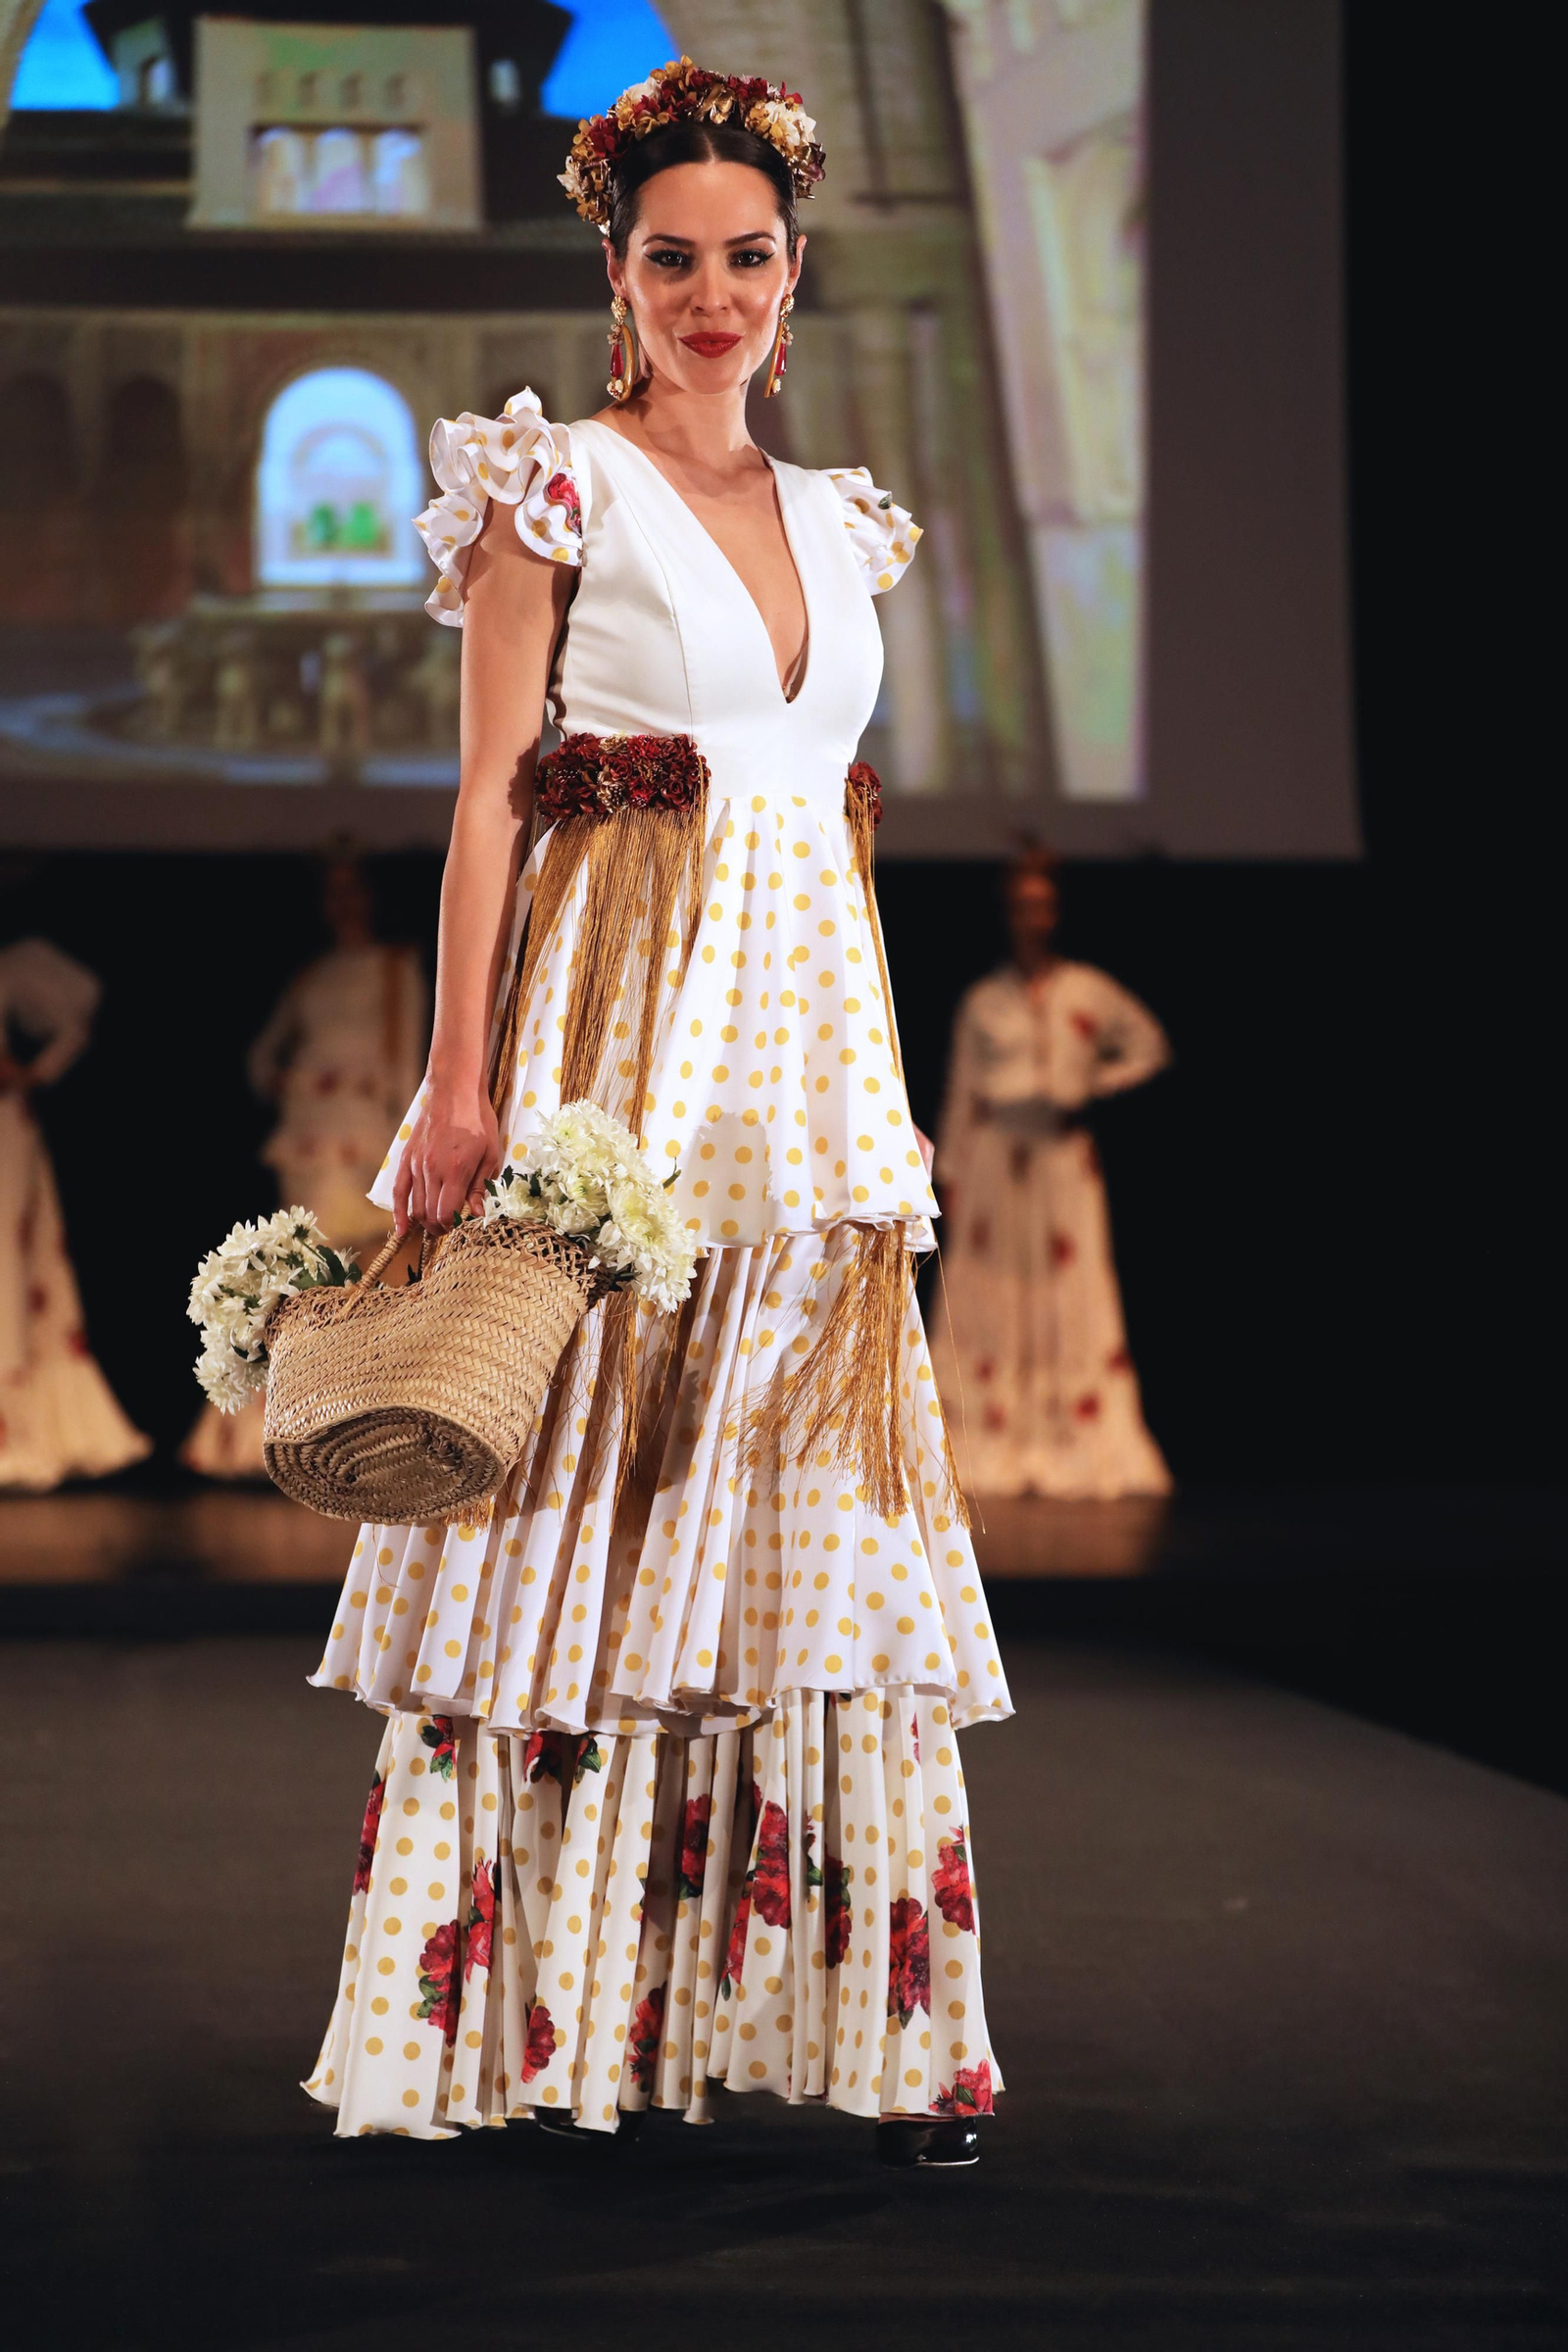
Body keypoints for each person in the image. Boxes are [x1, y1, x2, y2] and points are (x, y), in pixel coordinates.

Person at [303, 61, 1010, 2166]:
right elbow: (487, 808)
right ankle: (547, 2034)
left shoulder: (836, 517)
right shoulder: (555, 495)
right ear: (617, 275)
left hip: (802, 1090)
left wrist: (875, 1102)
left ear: (793, 283)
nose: (713, 294)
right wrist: (453, 1083)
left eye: (748, 259)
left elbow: (821, 831)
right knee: (587, 1522)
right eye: (672, 258)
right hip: (618, 1072)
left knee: (829, 1533)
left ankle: (889, 2051)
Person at [930, 850, 1172, 1499]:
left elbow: (1149, 1045)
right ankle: (991, 1432)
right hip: (996, 1161)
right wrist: (948, 1173)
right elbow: (962, 1091)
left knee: (1072, 1294)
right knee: (991, 1300)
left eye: (1041, 904)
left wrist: (1094, 1081)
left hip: (1064, 1160)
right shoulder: (985, 1000)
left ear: (1056, 911)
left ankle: (1073, 1435)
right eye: (1020, 906)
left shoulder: (1087, 989)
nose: (1031, 918)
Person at [182, 857, 428, 1478]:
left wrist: (401, 1144)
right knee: (309, 1269)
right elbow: (262, 1057)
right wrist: (293, 1080)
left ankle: (362, 1427)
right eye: (333, 892)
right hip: (310, 1135)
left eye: (353, 889)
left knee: (369, 1269)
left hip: (367, 1134)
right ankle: (284, 1430)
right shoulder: (312, 975)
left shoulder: (397, 966)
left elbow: (408, 1057)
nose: (343, 903)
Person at [0, 933, 150, 1489]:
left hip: (3, 1130)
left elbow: (80, 1003)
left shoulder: (13, 965)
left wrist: (36, 1071)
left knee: (6, 1267)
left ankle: (12, 1432)